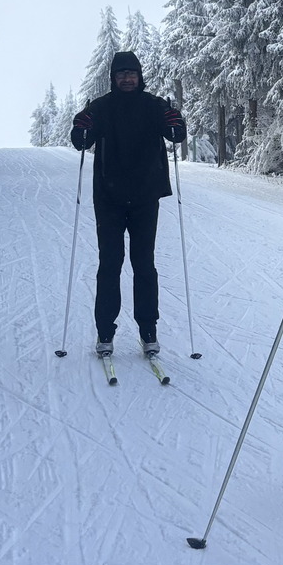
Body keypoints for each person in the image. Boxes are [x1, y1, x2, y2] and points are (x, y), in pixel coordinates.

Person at [71, 51, 186, 359]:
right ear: (113, 77)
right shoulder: (101, 107)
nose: (126, 78)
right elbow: (81, 141)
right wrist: (80, 126)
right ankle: (105, 332)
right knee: (110, 264)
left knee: (144, 264)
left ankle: (148, 331)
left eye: (131, 73)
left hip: (145, 197)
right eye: (121, 74)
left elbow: (176, 134)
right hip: (108, 198)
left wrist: (175, 122)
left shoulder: (154, 106)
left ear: (139, 76)